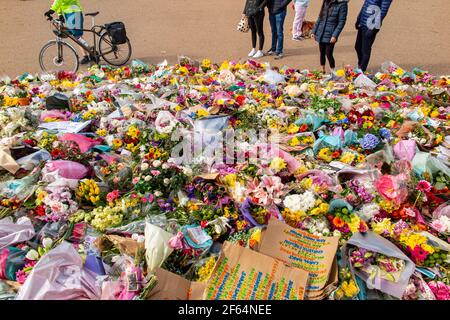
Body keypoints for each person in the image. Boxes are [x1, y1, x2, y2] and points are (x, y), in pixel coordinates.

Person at [44, 0, 91, 64]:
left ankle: (90, 51)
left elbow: (58, 1)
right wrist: (60, 14)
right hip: (70, 13)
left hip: (75, 13)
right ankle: (87, 55)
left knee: (77, 35)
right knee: (77, 36)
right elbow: (59, 2)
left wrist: (51, 10)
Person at [355, 0, 393, 72]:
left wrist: (374, 27)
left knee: (365, 49)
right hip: (363, 21)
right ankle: (360, 66)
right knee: (357, 47)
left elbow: (383, 12)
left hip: (371, 24)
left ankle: (362, 70)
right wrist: (358, 18)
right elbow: (365, 5)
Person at [312, 0, 348, 74]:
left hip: (331, 34)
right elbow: (320, 17)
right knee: (322, 52)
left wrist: (335, 35)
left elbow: (341, 22)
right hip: (321, 32)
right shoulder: (326, 1)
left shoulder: (342, 4)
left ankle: (332, 71)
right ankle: (322, 70)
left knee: (328, 53)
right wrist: (314, 30)